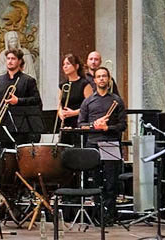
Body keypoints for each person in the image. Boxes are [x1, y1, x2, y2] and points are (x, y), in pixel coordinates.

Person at [79, 67, 127, 226]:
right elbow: (81, 124)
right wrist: (94, 125)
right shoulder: (88, 101)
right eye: (98, 76)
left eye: (104, 76)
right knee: (96, 181)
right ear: (94, 80)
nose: (101, 79)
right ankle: (98, 214)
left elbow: (123, 125)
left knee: (111, 182)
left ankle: (110, 215)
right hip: (92, 144)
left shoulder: (117, 100)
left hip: (110, 143)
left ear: (108, 79)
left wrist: (108, 128)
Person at [0, 48, 42, 144]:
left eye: (13, 59)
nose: (10, 61)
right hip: (4, 126)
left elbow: (37, 101)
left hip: (22, 128)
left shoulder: (28, 80)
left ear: (20, 61)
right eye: (8, 58)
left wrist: (18, 101)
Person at [57, 54, 93, 136]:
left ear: (76, 66)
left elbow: (90, 106)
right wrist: (60, 113)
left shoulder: (84, 84)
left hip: (79, 120)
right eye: (64, 64)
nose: (65, 66)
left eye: (68, 64)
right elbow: (59, 103)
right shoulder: (63, 85)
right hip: (66, 121)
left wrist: (73, 113)